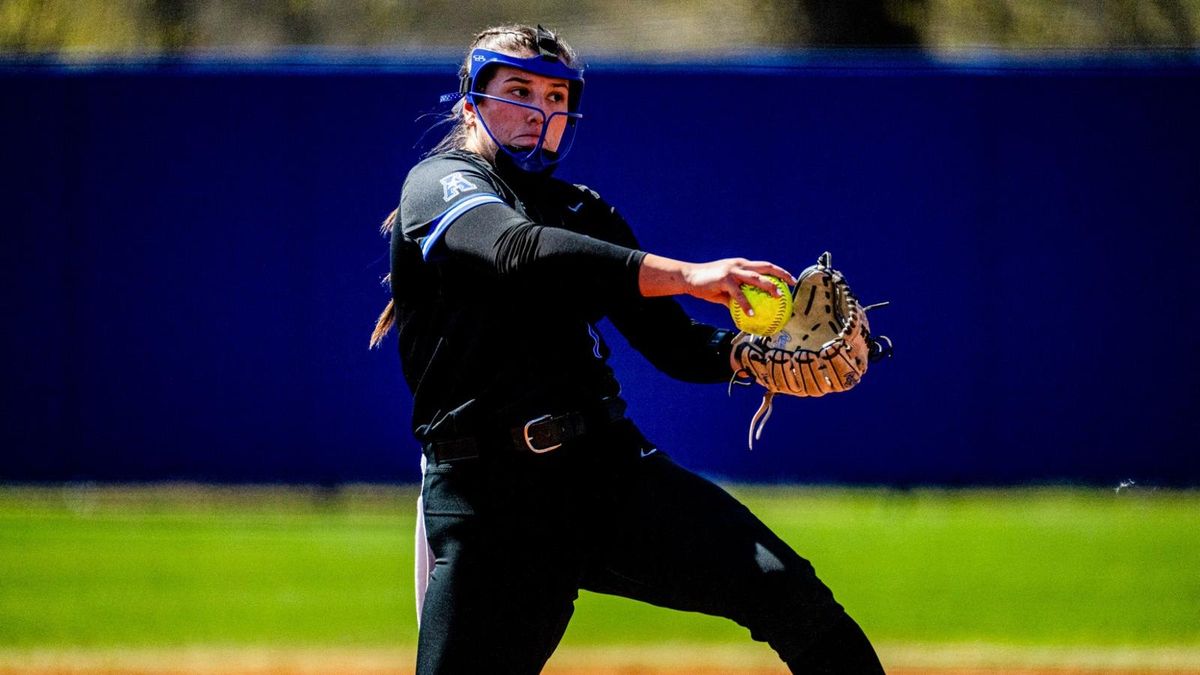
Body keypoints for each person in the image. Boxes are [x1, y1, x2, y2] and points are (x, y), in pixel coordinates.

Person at [370, 24, 886, 675]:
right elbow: (514, 251)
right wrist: (691, 274)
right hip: (490, 501)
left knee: (790, 591)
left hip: (605, 473)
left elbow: (673, 344)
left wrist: (750, 356)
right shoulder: (439, 183)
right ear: (471, 101)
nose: (540, 111)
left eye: (557, 96)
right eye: (519, 88)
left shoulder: (585, 213)